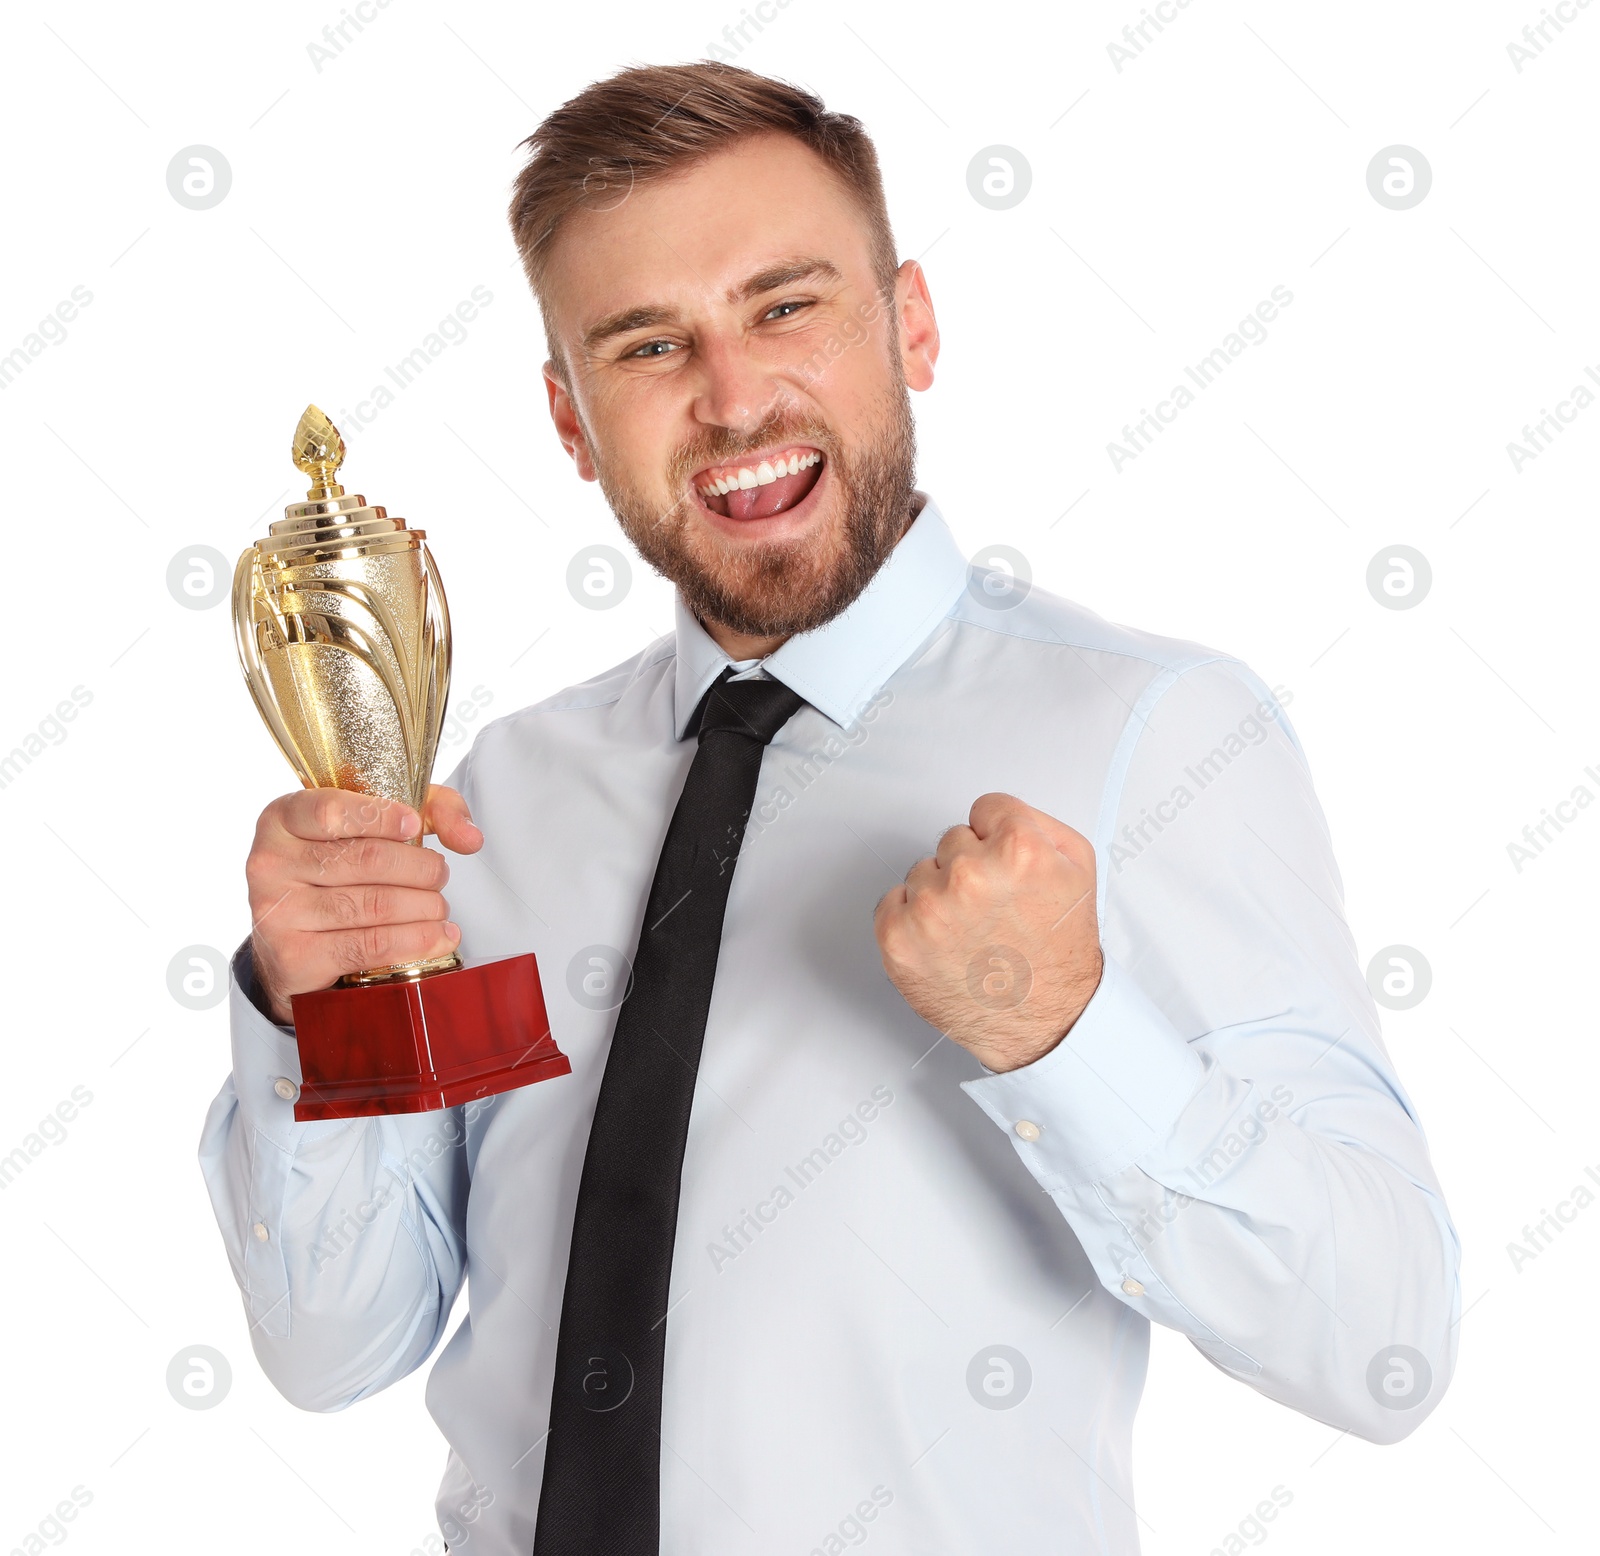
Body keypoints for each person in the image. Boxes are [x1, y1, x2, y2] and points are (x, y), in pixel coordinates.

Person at [200, 60, 1460, 1556]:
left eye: (786, 306)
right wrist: (314, 1008)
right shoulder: (503, 801)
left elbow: (1386, 1341)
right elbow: (336, 1344)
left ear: (911, 323)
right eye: (650, 343)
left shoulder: (1152, 732)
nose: (734, 400)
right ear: (568, 416)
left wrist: (1065, 1030)